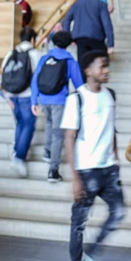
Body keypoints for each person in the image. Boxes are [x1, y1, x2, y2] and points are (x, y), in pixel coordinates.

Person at [61, 50, 126, 261]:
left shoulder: (110, 95)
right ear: (88, 70)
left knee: (119, 212)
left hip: (108, 168)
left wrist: (116, 157)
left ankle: (92, 255)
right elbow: (69, 137)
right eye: (102, 66)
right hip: (86, 170)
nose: (106, 70)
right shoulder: (76, 98)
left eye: (107, 66)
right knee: (78, 224)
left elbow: (112, 128)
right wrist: (75, 177)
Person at [31, 32, 83, 183]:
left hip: (44, 99)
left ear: (53, 43)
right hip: (59, 101)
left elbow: (35, 80)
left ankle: (47, 152)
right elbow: (79, 85)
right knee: (58, 134)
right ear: (68, 44)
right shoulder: (70, 61)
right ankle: (53, 170)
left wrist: (34, 101)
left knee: (49, 123)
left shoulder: (44, 58)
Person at [1, 27, 40, 177]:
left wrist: (7, 96)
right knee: (28, 125)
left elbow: (3, 73)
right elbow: (37, 77)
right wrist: (36, 99)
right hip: (27, 95)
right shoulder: (35, 54)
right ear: (32, 39)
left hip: (12, 94)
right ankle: (19, 157)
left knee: (20, 124)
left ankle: (17, 152)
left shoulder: (11, 53)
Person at [63, 0, 114, 73]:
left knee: (83, 65)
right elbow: (107, 24)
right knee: (100, 63)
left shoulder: (77, 3)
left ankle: (84, 84)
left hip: (80, 39)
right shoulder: (101, 4)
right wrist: (110, 43)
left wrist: (68, 36)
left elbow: (67, 19)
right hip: (97, 38)